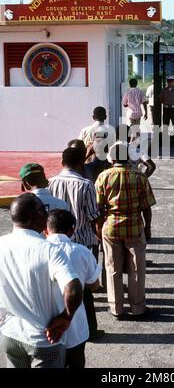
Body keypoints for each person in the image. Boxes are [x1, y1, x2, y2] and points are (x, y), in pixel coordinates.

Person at [0, 193, 82, 368]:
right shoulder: (50, 250)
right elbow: (73, 289)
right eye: (44, 210)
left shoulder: (1, 244)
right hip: (45, 339)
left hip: (10, 333)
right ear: (37, 215)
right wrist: (66, 317)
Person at [95, 142, 156, 319]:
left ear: (112, 158)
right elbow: (147, 207)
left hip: (111, 227)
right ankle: (137, 307)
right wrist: (148, 227)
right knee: (137, 267)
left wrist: (99, 228)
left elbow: (98, 207)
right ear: (128, 157)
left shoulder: (103, 177)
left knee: (112, 267)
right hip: (135, 227)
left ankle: (116, 308)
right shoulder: (139, 177)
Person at [48, 147, 101, 339]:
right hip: (83, 243)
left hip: (54, 243)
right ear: (81, 163)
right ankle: (89, 330)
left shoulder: (50, 182)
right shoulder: (87, 184)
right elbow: (94, 216)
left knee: (59, 288)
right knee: (85, 291)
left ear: (62, 162)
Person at [45, 209, 101, 367]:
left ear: (45, 229)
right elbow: (94, 285)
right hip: (75, 326)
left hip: (45, 329)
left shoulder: (36, 251)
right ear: (72, 231)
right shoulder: (82, 252)